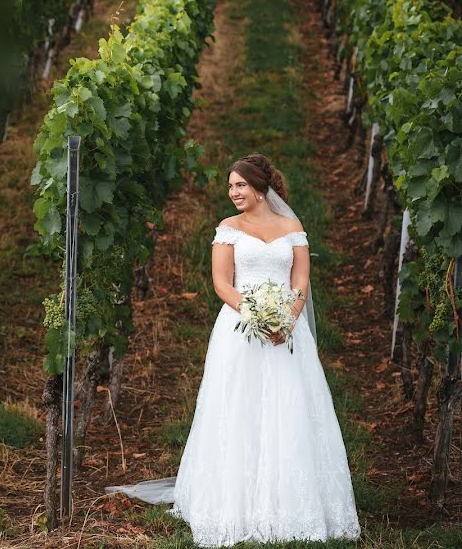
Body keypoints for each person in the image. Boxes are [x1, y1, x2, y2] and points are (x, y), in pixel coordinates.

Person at [105, 154, 361, 546]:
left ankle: (291, 503)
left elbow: (301, 281)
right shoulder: (228, 229)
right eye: (230, 186)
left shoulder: (292, 228)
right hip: (241, 328)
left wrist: (287, 321)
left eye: (240, 185)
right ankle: (233, 502)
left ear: (260, 187)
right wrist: (256, 315)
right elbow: (222, 283)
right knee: (236, 406)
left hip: (286, 333)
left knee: (288, 407)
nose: (234, 193)